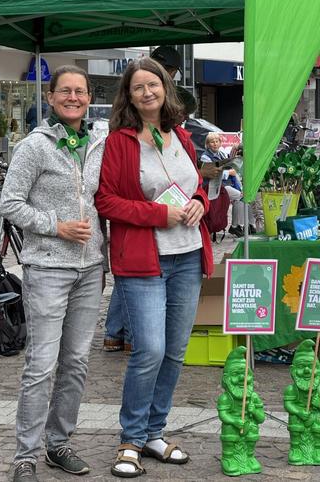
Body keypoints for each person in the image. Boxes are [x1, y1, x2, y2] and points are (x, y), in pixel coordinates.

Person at [95, 57, 213, 477]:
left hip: (186, 257)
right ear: (128, 96)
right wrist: (157, 216)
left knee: (175, 353)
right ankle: (130, 439)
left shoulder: (180, 133)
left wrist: (200, 200)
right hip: (143, 260)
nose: (147, 92)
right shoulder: (120, 141)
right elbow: (106, 201)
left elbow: (195, 184)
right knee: (150, 350)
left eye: (153, 84)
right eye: (138, 87)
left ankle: (154, 433)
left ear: (165, 87)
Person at [0, 65, 107, 482]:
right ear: (50, 97)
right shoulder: (35, 146)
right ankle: (24, 455)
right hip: (47, 267)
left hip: (90, 267)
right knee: (41, 365)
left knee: (76, 362)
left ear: (87, 96)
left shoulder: (98, 141)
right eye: (65, 91)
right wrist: (55, 225)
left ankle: (58, 443)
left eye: (80, 91)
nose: (74, 97)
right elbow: (10, 203)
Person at [217, 346, 265, 475]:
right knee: (229, 432)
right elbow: (223, 414)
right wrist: (233, 421)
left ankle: (249, 457)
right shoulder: (225, 398)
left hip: (248, 424)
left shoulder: (253, 397)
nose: (242, 379)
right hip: (234, 424)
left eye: (245, 374)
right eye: (235, 374)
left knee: (253, 431)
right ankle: (228, 458)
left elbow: (261, 418)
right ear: (226, 378)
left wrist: (254, 411)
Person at [201, 132, 256, 237]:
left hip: (224, 184)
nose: (215, 144)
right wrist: (229, 172)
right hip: (213, 186)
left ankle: (248, 225)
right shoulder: (205, 157)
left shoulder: (221, 154)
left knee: (244, 195)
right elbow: (212, 172)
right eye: (212, 142)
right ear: (207, 144)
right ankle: (235, 226)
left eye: (217, 141)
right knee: (240, 196)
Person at [284, 339, 320, 465]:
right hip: (299, 415)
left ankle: (317, 449)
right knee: (295, 423)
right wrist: (298, 412)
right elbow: (288, 405)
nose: (306, 371)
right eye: (301, 367)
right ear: (292, 370)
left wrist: (317, 404)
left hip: (314, 415)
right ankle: (295, 449)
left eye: (311, 367)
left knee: (318, 425)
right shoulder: (291, 389)